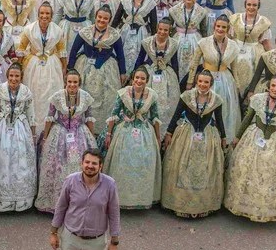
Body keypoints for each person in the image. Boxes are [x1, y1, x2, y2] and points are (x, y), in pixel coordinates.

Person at [225, 76, 276, 223]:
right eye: (273, 86)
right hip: (255, 136)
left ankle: (270, 207)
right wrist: (237, 137)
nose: (275, 89)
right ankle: (246, 205)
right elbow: (248, 119)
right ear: (268, 86)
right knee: (247, 167)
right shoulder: (258, 99)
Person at [160, 68, 228, 218]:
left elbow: (220, 120)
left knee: (205, 167)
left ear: (210, 84)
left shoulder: (216, 100)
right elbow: (176, 114)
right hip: (186, 134)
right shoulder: (186, 96)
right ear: (196, 82)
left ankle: (203, 204)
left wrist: (223, 137)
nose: (203, 84)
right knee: (181, 165)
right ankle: (179, 202)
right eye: (200, 81)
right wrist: (169, 132)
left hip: (207, 136)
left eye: (206, 82)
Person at [37, 69, 98, 212]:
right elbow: (50, 117)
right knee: (57, 164)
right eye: (69, 82)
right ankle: (55, 202)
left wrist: (92, 135)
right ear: (65, 82)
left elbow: (89, 117)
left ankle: (81, 202)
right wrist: (45, 137)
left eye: (75, 82)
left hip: (79, 133)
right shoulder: (57, 97)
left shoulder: (86, 97)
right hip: (60, 132)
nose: (72, 85)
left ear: (79, 83)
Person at [102, 68, 163, 209]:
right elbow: (114, 113)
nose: (139, 81)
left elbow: (155, 117)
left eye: (142, 78)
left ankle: (140, 198)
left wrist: (158, 137)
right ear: (132, 78)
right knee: (122, 163)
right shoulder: (123, 94)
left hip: (145, 132)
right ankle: (120, 198)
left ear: (147, 81)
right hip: (125, 130)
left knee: (143, 163)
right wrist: (109, 134)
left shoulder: (152, 95)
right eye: (137, 77)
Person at [0, 64, 36, 212]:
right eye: (11, 76)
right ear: (7, 77)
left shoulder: (26, 92)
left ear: (21, 77)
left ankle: (21, 201)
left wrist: (33, 135)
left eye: (17, 76)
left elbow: (31, 115)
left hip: (21, 129)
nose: (14, 79)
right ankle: (2, 200)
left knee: (20, 163)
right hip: (1, 129)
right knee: (2, 161)